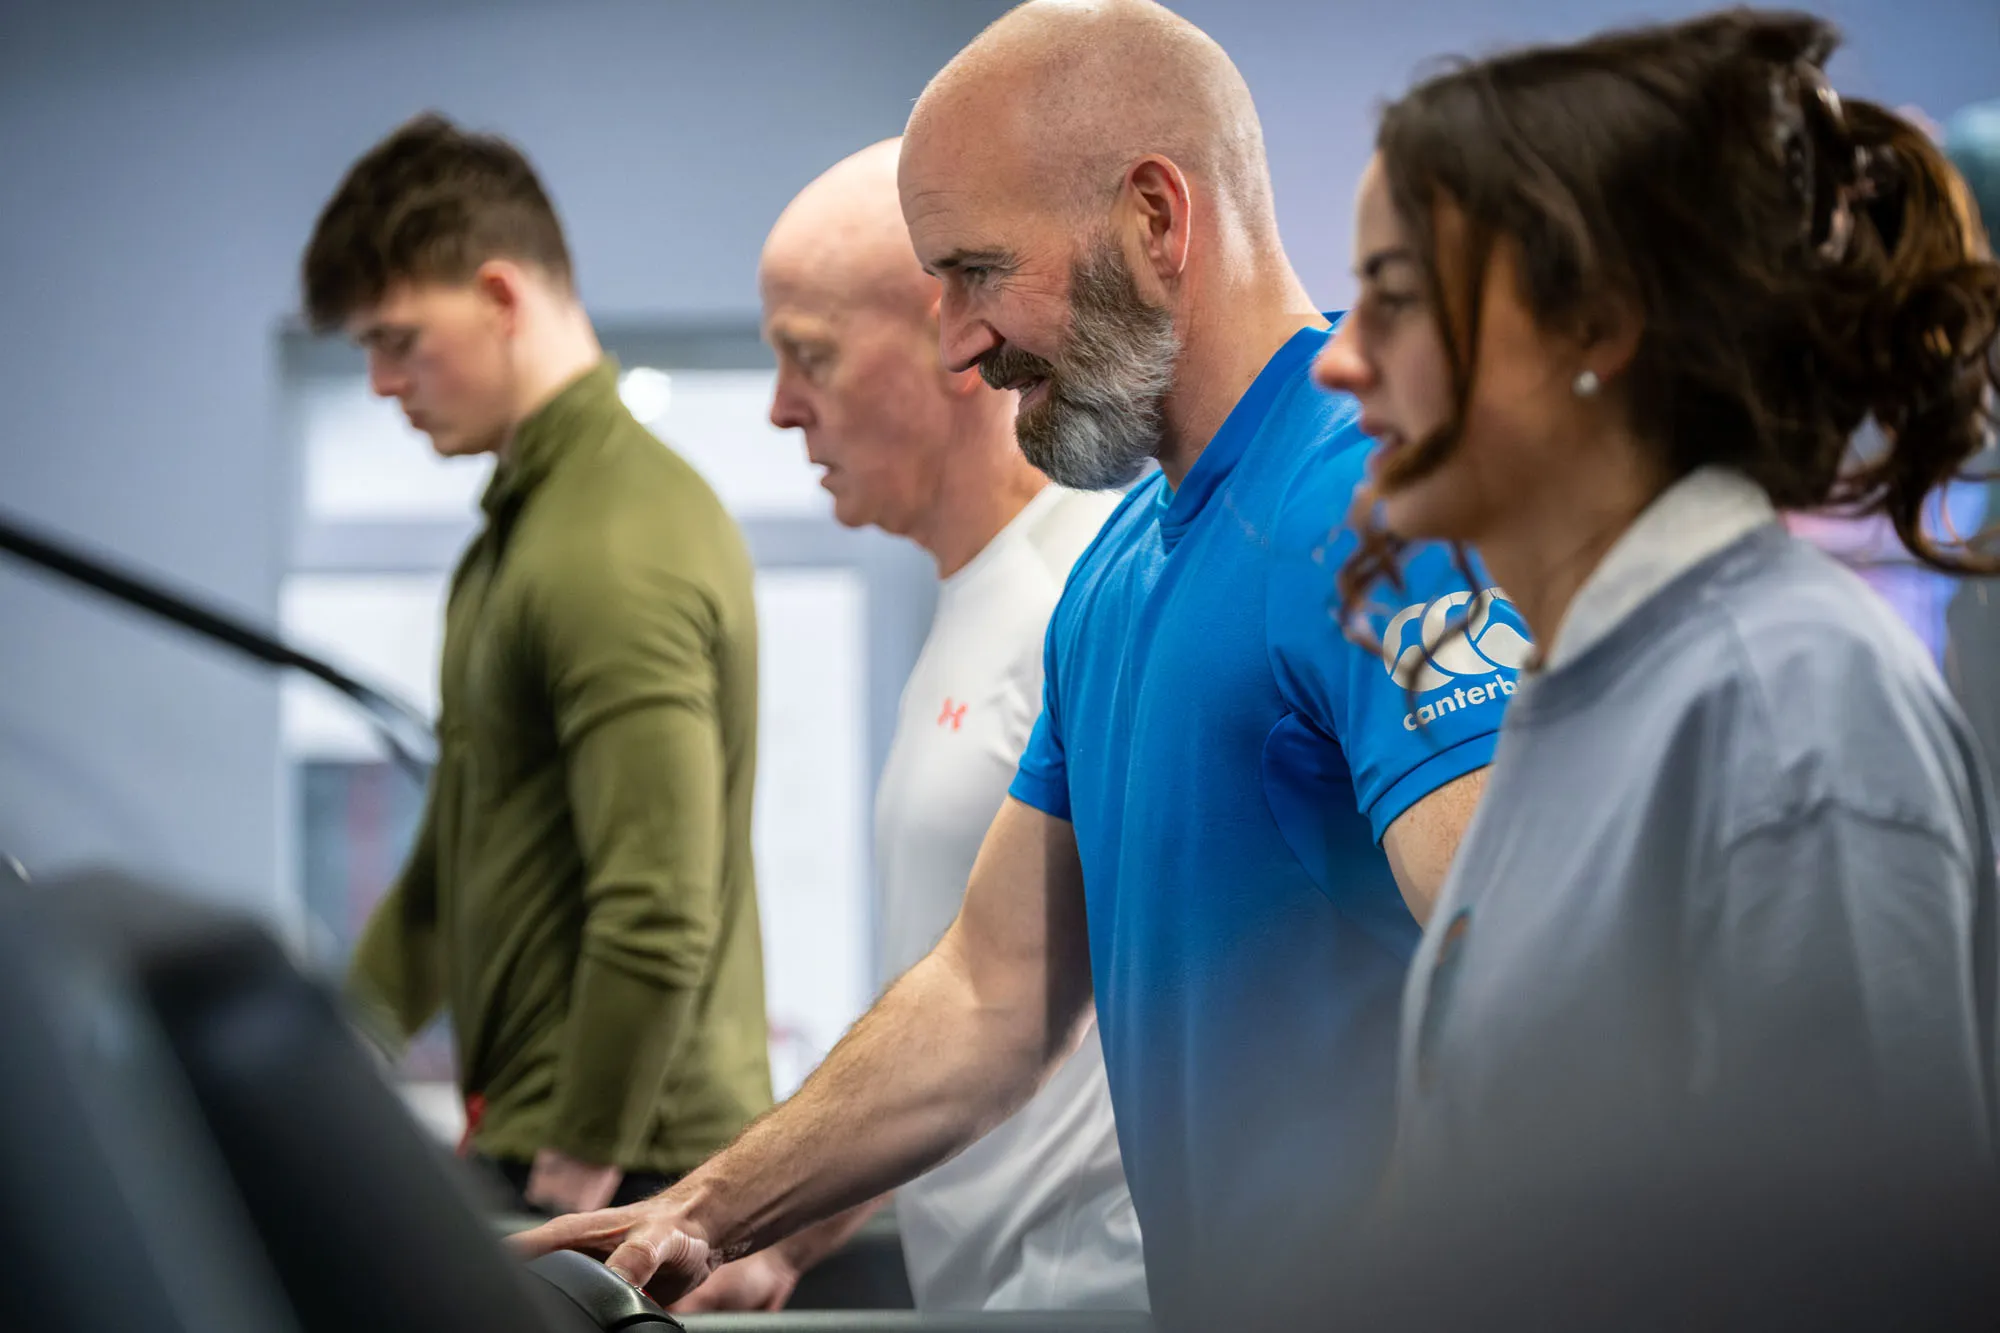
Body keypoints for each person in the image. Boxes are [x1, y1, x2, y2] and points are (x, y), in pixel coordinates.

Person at [517, 3, 1522, 1323]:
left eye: (978, 273)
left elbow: (1531, 961)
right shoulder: (1117, 572)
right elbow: (989, 992)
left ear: (1155, 218)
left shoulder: (1373, 503)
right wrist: (699, 1211)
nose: (955, 343)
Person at [1312, 9, 2000, 1325]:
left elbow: (1873, 1279)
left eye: (1395, 295)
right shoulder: (1586, 690)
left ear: (1596, 324)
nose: (1342, 355)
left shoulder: (1791, 703)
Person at [673, 138, 1143, 1314]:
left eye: (811, 356)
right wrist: (780, 1241)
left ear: (953, 335)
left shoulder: (1087, 596)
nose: (782, 407)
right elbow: (943, 1022)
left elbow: (1005, 1004)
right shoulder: (971, 604)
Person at [304, 114, 772, 1218]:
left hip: (626, 1162)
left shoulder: (611, 543)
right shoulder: (514, 540)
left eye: (399, 339)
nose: (381, 381)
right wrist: (326, 1067)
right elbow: (444, 867)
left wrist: (580, 1159)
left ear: (500, 297)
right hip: (542, 1133)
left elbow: (655, 901)